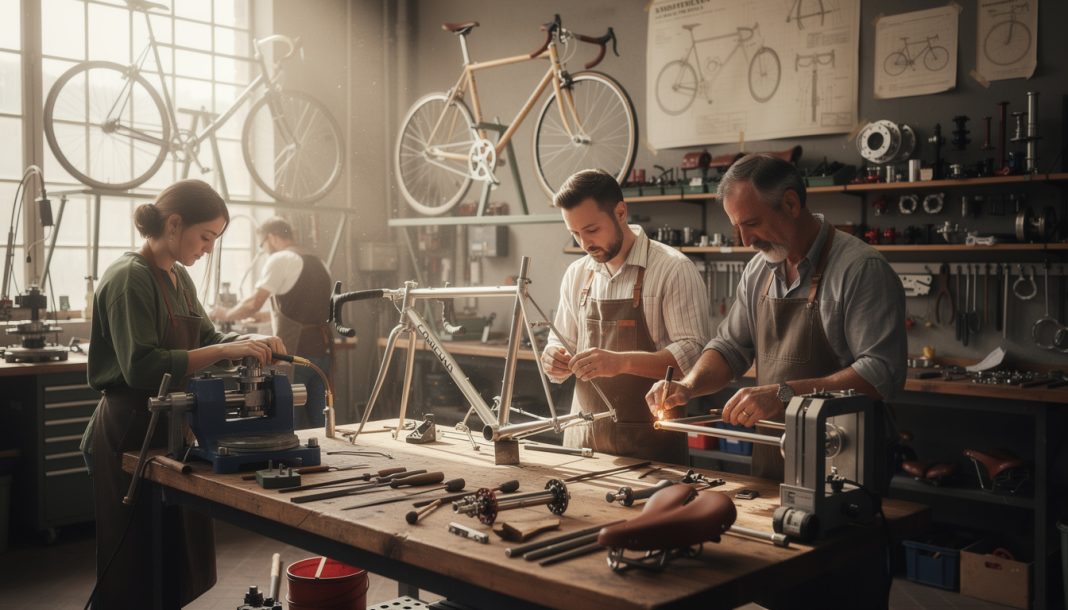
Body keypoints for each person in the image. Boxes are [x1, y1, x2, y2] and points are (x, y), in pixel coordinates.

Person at [644, 153, 906, 609]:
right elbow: (730, 347)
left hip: (844, 466)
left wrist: (784, 394)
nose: (744, 240)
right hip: (775, 463)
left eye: (751, 223)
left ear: (790, 203)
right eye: (736, 227)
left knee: (841, 592)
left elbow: (880, 373)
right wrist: (688, 385)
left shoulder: (860, 269)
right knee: (780, 588)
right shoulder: (759, 270)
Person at [83, 179, 286, 609]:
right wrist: (224, 350)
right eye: (206, 236)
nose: (209, 249)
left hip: (171, 425)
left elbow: (209, 341)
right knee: (133, 564)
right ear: (174, 224)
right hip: (129, 428)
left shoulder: (179, 278)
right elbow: (141, 367)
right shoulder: (129, 278)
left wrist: (250, 343)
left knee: (172, 555)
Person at [541, 169, 711, 464]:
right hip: (583, 444)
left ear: (620, 212)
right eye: (575, 234)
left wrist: (621, 362)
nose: (585, 243)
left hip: (651, 446)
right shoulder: (576, 274)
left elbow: (694, 355)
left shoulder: (673, 269)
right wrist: (552, 359)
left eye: (592, 230)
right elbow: (560, 341)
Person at [212, 216, 333, 430]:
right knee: (321, 422)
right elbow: (303, 307)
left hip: (295, 353)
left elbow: (253, 303)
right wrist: (266, 316)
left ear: (272, 237)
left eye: (262, 245)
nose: (264, 250)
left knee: (288, 420)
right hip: (322, 351)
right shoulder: (318, 261)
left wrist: (224, 314)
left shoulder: (281, 258)